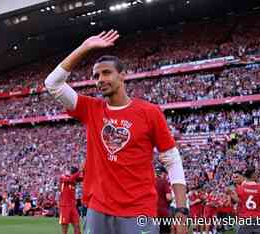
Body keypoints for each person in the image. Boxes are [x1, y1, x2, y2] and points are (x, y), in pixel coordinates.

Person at [45, 29, 187, 234]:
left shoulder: (149, 112)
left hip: (139, 211)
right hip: (97, 209)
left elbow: (172, 160)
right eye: (96, 75)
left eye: (106, 72)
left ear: (123, 75)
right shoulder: (90, 108)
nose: (100, 79)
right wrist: (84, 48)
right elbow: (52, 84)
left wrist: (181, 209)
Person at [228, 166, 260, 234]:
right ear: (253, 175)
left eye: (236, 177)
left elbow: (239, 202)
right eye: (257, 173)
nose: (258, 175)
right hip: (259, 218)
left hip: (245, 218)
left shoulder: (240, 189)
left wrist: (231, 194)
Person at [59, 166, 83, 234]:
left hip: (73, 206)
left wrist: (85, 170)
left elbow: (84, 178)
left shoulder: (75, 178)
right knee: (65, 229)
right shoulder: (63, 177)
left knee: (77, 227)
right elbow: (70, 179)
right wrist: (80, 171)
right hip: (65, 206)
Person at [155, 166, 172, 234]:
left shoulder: (149, 181)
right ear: (163, 173)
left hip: (152, 212)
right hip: (163, 212)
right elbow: (168, 197)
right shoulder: (164, 181)